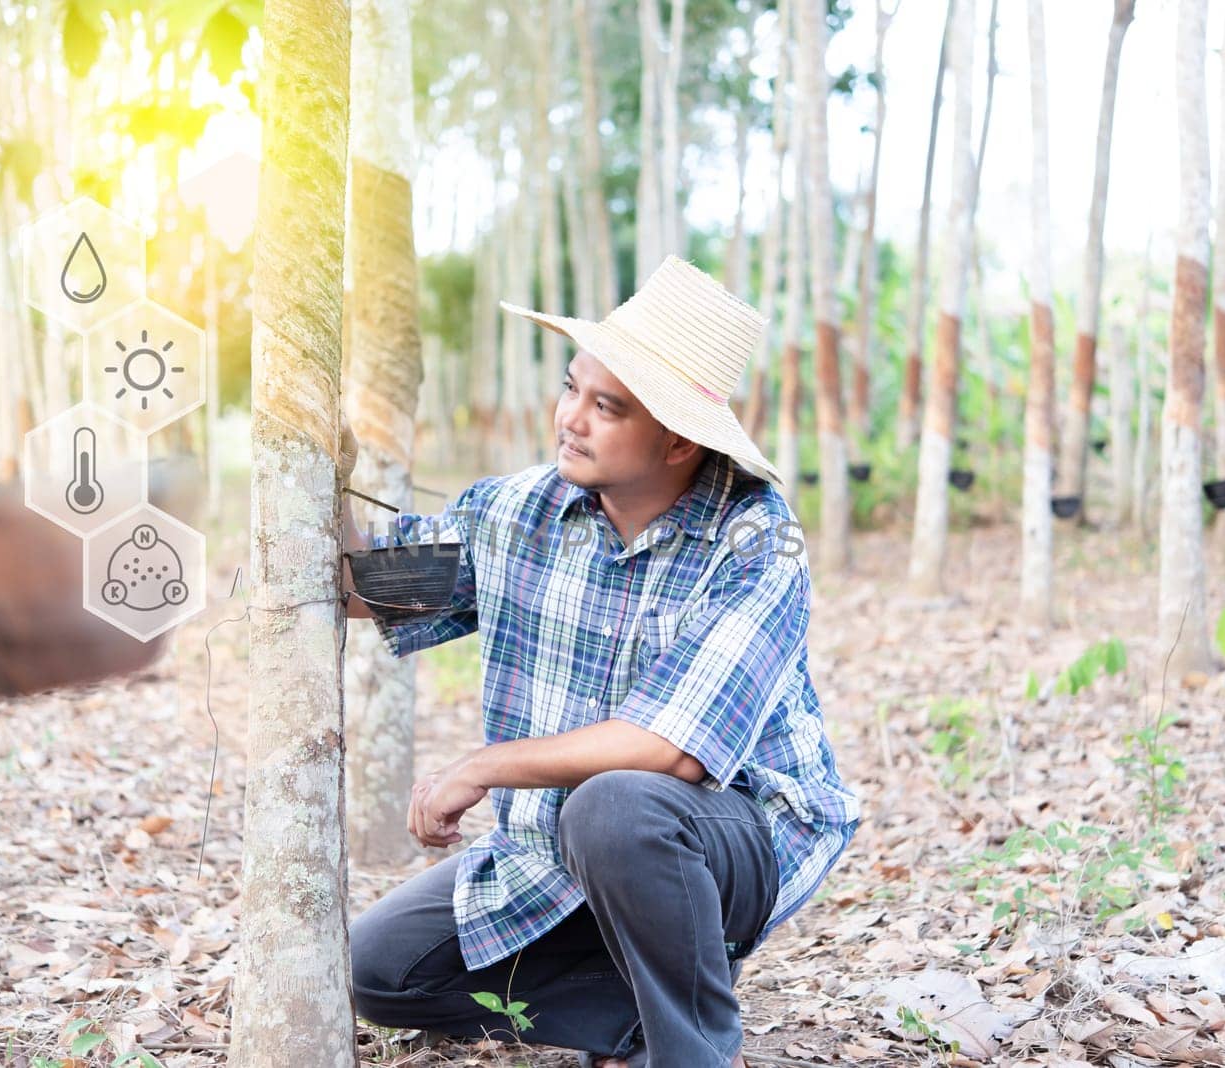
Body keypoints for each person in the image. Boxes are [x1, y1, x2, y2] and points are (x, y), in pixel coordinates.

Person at [340, 257, 861, 1068]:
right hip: (552, 850)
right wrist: (313, 473)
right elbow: (370, 587)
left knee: (616, 808)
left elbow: (673, 749)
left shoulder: (758, 543)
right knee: (376, 970)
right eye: (573, 388)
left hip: (733, 836)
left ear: (680, 438)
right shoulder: (520, 511)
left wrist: (483, 766)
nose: (571, 419)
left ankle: (686, 1048)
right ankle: (635, 1007)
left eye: (607, 406)